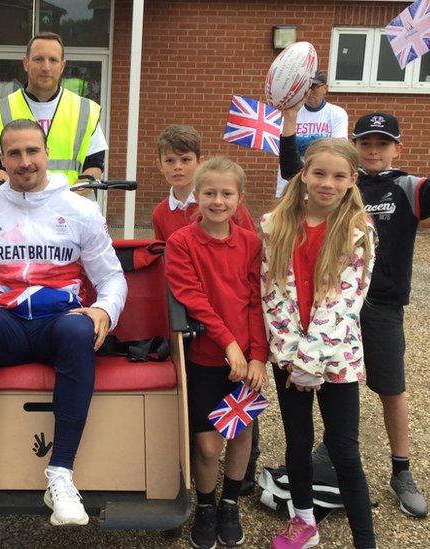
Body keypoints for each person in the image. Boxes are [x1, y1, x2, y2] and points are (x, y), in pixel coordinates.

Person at [0, 119, 126, 526]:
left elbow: (111, 277)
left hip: (59, 322)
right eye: (14, 154)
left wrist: (104, 310)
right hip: (7, 322)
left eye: (32, 151)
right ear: (1, 159)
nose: (24, 162)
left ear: (46, 153)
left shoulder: (80, 209)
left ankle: (61, 475)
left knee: (78, 328)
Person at [281, 106, 430, 519]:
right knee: (330, 381)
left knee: (391, 388)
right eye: (365, 142)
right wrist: (290, 120)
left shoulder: (407, 187)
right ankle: (333, 449)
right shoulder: (341, 181)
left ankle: (401, 469)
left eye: (381, 144)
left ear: (396, 148)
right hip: (330, 307)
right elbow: (295, 168)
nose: (372, 150)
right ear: (354, 145)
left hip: (381, 305)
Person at [264, 138, 376, 549]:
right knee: (297, 441)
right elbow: (271, 295)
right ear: (304, 175)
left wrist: (311, 363)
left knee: (345, 451)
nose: (327, 183)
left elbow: (345, 302)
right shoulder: (275, 225)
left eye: (338, 175)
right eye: (319, 173)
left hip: (336, 359)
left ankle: (365, 539)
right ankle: (304, 521)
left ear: (352, 180)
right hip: (289, 360)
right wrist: (294, 360)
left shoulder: (358, 231)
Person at [165, 157, 267, 548]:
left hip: (247, 363)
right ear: (197, 195)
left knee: (240, 435)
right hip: (207, 360)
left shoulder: (252, 244)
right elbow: (195, 300)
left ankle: (229, 504)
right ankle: (205, 505)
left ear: (239, 198)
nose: (218, 201)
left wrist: (257, 355)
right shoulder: (183, 243)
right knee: (208, 445)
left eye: (227, 194)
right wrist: (229, 345)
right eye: (210, 192)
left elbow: (258, 303)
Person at [0, 32, 108, 186]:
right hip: (20, 208)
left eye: (53, 60)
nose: (46, 67)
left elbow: (94, 168)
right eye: (39, 59)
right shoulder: (1, 111)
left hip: (70, 209)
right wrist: (29, 202)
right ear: (26, 63)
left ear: (62, 66)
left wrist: (61, 202)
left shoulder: (85, 111)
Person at [151, 124, 257, 240]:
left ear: (200, 162)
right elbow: (161, 253)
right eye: (170, 160)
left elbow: (251, 246)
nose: (178, 167)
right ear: (160, 165)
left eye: (185, 160)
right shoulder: (160, 213)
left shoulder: (228, 205)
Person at [274, 70, 348, 198]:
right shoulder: (291, 112)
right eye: (305, 87)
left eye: (314, 87)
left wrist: (296, 142)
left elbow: (339, 148)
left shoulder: (337, 113)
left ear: (325, 88)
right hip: (290, 183)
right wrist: (323, 140)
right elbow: (285, 145)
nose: (309, 92)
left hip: (321, 185)